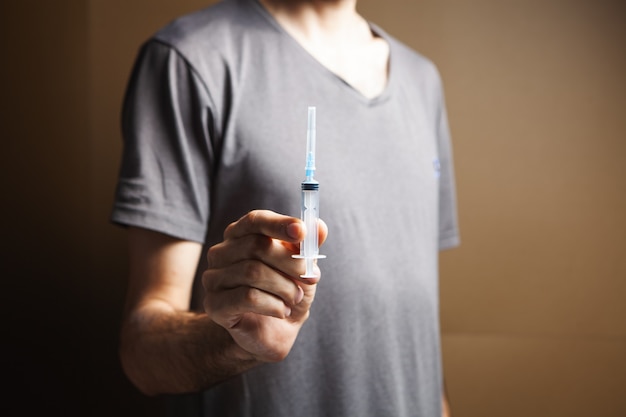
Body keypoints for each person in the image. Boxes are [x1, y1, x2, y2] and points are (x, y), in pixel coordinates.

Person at [111, 0, 460, 415]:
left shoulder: (423, 80)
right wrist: (236, 340)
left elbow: (413, 322)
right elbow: (141, 353)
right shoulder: (190, 58)